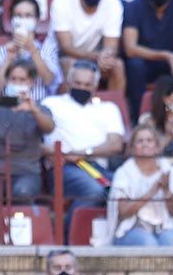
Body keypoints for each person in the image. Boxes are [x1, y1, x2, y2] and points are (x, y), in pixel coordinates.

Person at [41, 60, 126, 233]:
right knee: (93, 190)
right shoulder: (51, 104)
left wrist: (82, 154)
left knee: (128, 186)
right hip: (65, 168)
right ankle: (69, 239)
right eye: (78, 83)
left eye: (87, 84)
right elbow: (36, 141)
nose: (82, 88)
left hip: (99, 168)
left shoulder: (108, 108)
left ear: (95, 86)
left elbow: (116, 145)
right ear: (69, 82)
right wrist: (53, 152)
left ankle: (119, 237)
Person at [0, 61, 55, 203]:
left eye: (22, 80)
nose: (17, 83)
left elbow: (49, 128)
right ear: (7, 81)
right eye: (13, 79)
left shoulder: (39, 108)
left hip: (26, 171)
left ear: (31, 82)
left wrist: (34, 111)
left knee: (22, 193)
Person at [107, 124, 173, 247]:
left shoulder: (169, 171)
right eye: (140, 141)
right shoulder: (124, 172)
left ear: (158, 147)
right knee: (149, 244)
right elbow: (123, 212)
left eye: (149, 140)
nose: (145, 144)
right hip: (132, 228)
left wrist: (166, 190)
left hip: (164, 227)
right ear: (132, 148)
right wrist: (152, 192)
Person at [0, 0, 61, 104]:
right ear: (12, 20)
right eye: (18, 16)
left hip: (38, 109)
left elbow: (49, 80)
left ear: (38, 20)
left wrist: (33, 50)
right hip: (6, 108)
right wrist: (9, 58)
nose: (23, 20)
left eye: (28, 16)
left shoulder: (48, 50)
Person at [50, 0, 125, 94]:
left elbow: (111, 45)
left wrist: (107, 55)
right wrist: (98, 56)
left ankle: (113, 107)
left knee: (117, 65)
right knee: (70, 64)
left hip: (95, 57)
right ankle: (68, 108)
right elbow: (66, 47)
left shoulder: (113, 3)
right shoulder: (62, 1)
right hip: (64, 55)